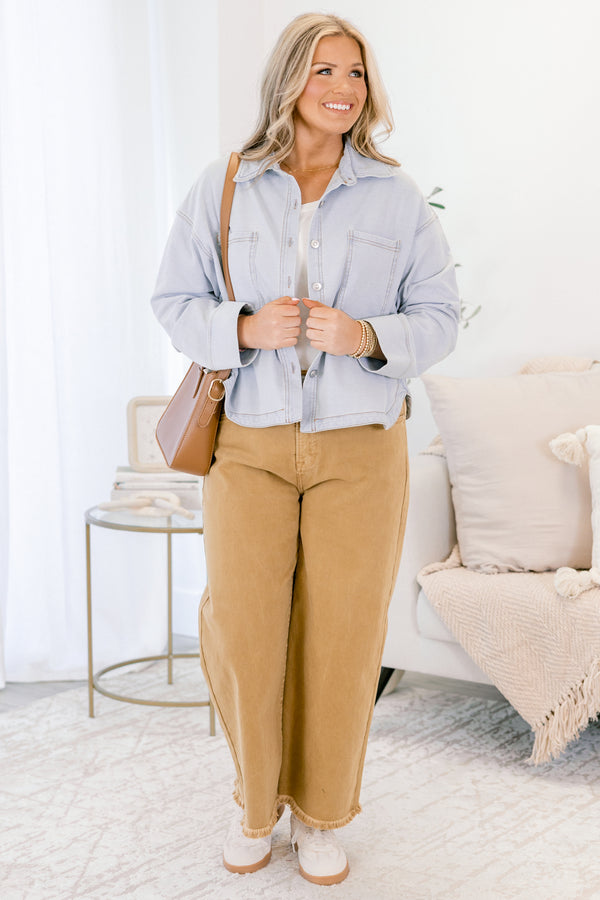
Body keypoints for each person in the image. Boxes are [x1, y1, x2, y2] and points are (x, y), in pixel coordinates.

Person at [151, 12, 459, 886]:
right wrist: (240, 326)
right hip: (247, 441)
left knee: (345, 636)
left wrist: (365, 334)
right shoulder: (226, 185)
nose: (342, 87)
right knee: (244, 627)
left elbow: (438, 318)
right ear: (290, 79)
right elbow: (173, 298)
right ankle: (255, 805)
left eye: (355, 73)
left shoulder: (395, 199)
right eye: (325, 69)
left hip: (361, 447)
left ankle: (323, 814)